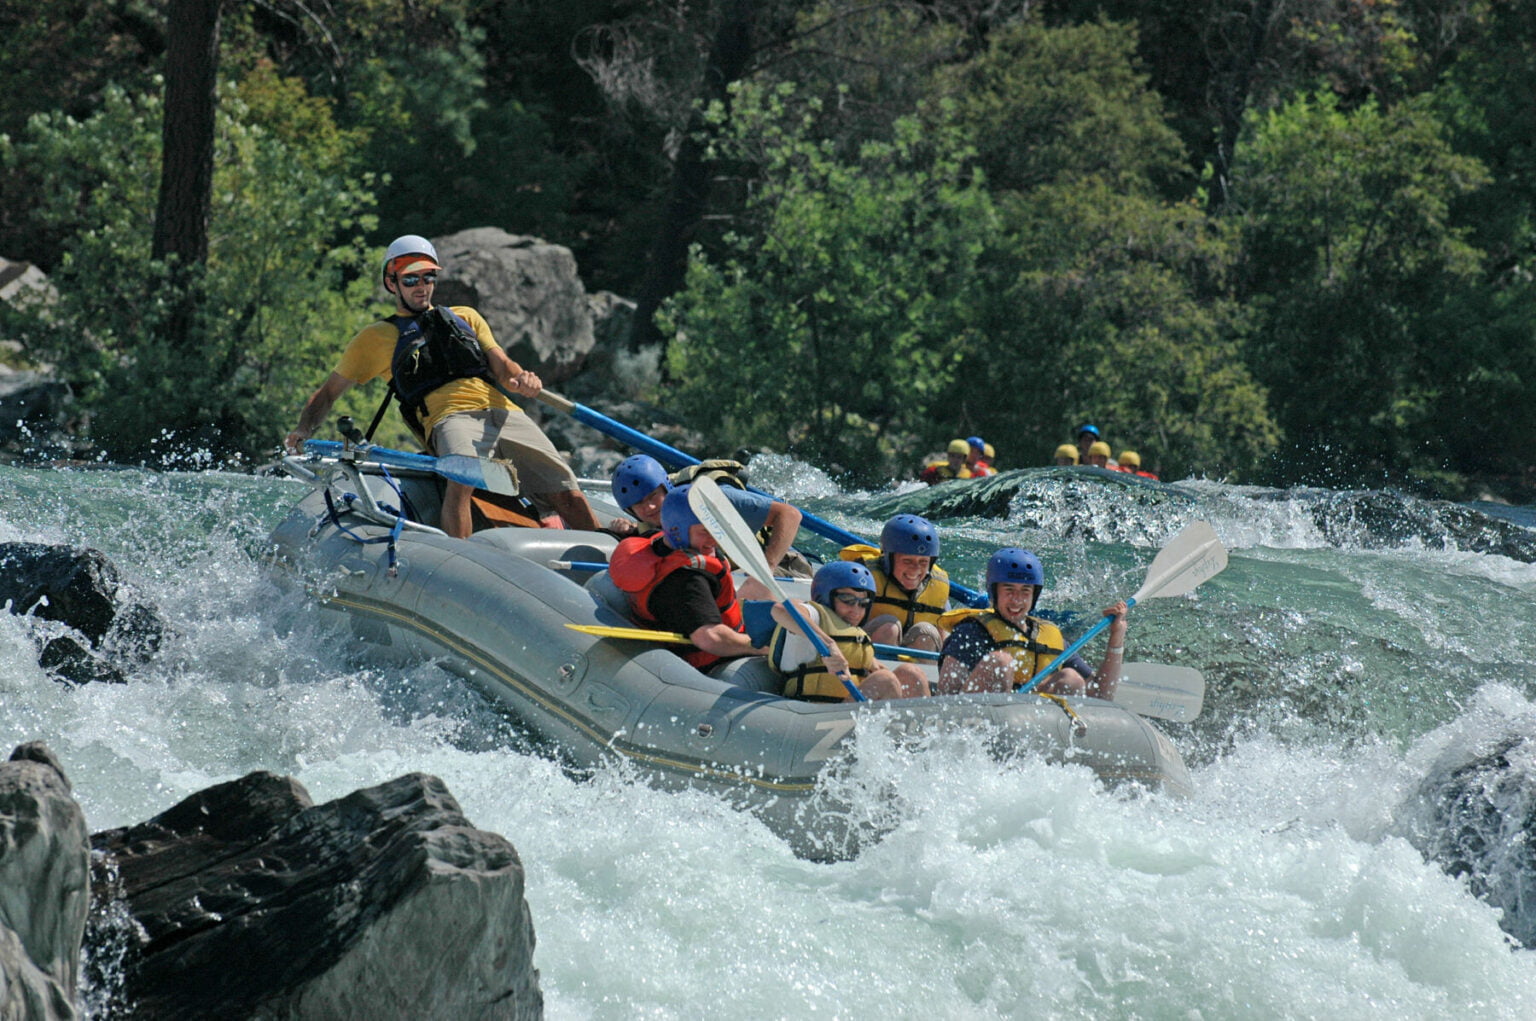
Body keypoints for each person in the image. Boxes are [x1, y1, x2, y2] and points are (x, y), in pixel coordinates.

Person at [286, 235, 601, 538]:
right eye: (410, 279)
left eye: (428, 277)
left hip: (504, 411)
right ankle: (463, 554)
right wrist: (304, 429)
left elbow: (504, 367)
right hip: (450, 418)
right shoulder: (374, 338)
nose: (421, 286)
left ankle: (608, 565)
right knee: (463, 478)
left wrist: (523, 378)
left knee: (568, 492)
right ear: (391, 283)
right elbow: (327, 394)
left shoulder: (466, 317)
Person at [937, 548, 1127, 698]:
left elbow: (1102, 694)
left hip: (1030, 724)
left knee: (1071, 679)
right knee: (1000, 662)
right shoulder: (971, 631)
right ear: (994, 591)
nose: (1017, 600)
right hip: (980, 722)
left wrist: (1116, 637)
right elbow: (946, 696)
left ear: (1034, 596)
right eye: (1009, 590)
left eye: (1025, 591)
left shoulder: (1050, 636)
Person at [607, 484, 761, 669]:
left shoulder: (657, 543)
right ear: (677, 531)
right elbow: (710, 638)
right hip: (713, 662)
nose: (715, 538)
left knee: (760, 587)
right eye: (705, 531)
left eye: (717, 529)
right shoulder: (687, 580)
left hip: (716, 622)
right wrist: (761, 647)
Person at [605, 453, 805, 585]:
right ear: (630, 510)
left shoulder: (714, 497)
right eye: (639, 504)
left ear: (666, 487)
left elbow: (789, 514)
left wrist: (766, 568)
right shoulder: (648, 522)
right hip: (732, 571)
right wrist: (630, 530)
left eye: (652, 497)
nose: (649, 508)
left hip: (785, 566)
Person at [767, 561, 930, 702]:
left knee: (911, 673)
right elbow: (781, 609)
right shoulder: (816, 615)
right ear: (825, 597)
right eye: (848, 600)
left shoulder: (855, 634)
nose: (856, 610)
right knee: (884, 680)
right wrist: (828, 645)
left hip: (845, 712)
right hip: (812, 714)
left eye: (863, 603)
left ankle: (920, 736)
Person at [843, 514, 951, 652]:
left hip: (914, 665)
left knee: (926, 633)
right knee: (889, 628)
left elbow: (945, 640)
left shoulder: (938, 585)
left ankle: (919, 672)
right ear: (889, 559)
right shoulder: (862, 579)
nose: (916, 569)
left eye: (923, 562)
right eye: (907, 561)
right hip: (866, 654)